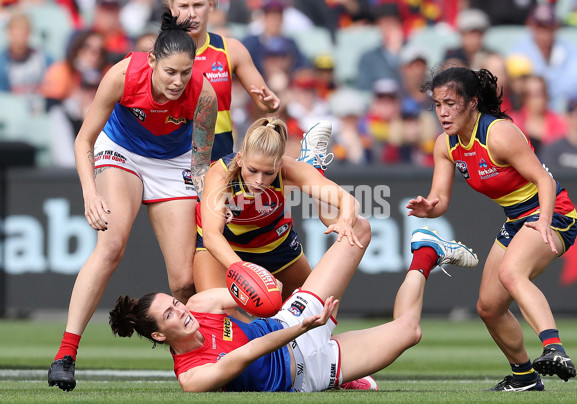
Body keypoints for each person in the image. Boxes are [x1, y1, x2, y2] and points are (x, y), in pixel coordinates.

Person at [47, 12, 218, 392]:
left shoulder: (204, 95)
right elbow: (83, 141)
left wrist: (210, 204)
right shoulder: (123, 75)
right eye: (170, 72)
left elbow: (201, 165)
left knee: (184, 280)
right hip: (120, 151)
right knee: (110, 247)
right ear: (153, 60)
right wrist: (91, 192)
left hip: (173, 164)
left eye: (185, 73)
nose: (177, 82)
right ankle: (65, 355)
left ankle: (198, 359)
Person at [107, 227, 479, 392]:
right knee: (409, 331)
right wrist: (304, 326)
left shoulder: (200, 304)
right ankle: (426, 254)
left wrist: (276, 298)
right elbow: (249, 352)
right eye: (170, 314)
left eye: (174, 303)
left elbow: (255, 297)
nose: (181, 310)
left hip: (287, 320)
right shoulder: (192, 376)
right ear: (158, 334)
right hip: (306, 372)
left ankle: (308, 167)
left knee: (358, 232)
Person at [407, 67, 577, 391]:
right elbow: (440, 199)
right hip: (516, 220)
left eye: (450, 103)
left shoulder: (498, 133)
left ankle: (554, 348)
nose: (442, 112)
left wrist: (543, 220)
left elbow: (545, 180)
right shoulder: (445, 145)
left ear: (473, 102)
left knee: (512, 273)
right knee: (488, 307)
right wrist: (429, 208)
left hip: (553, 212)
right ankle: (525, 378)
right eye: (437, 104)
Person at [194, 116, 359, 299]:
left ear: (279, 165)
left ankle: (312, 166)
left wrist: (345, 221)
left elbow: (347, 199)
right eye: (253, 170)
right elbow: (211, 236)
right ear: (239, 159)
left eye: (268, 173)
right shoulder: (219, 174)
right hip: (226, 243)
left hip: (272, 241)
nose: (259, 180)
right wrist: (247, 273)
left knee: (310, 307)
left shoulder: (289, 169)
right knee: (215, 313)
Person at [168, 0, 280, 162]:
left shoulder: (231, 49)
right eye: (184, 6)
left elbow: (264, 102)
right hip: (172, 156)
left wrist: (269, 103)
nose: (191, 14)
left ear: (211, 6)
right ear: (172, 9)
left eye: (198, 5)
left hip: (219, 155)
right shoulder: (159, 53)